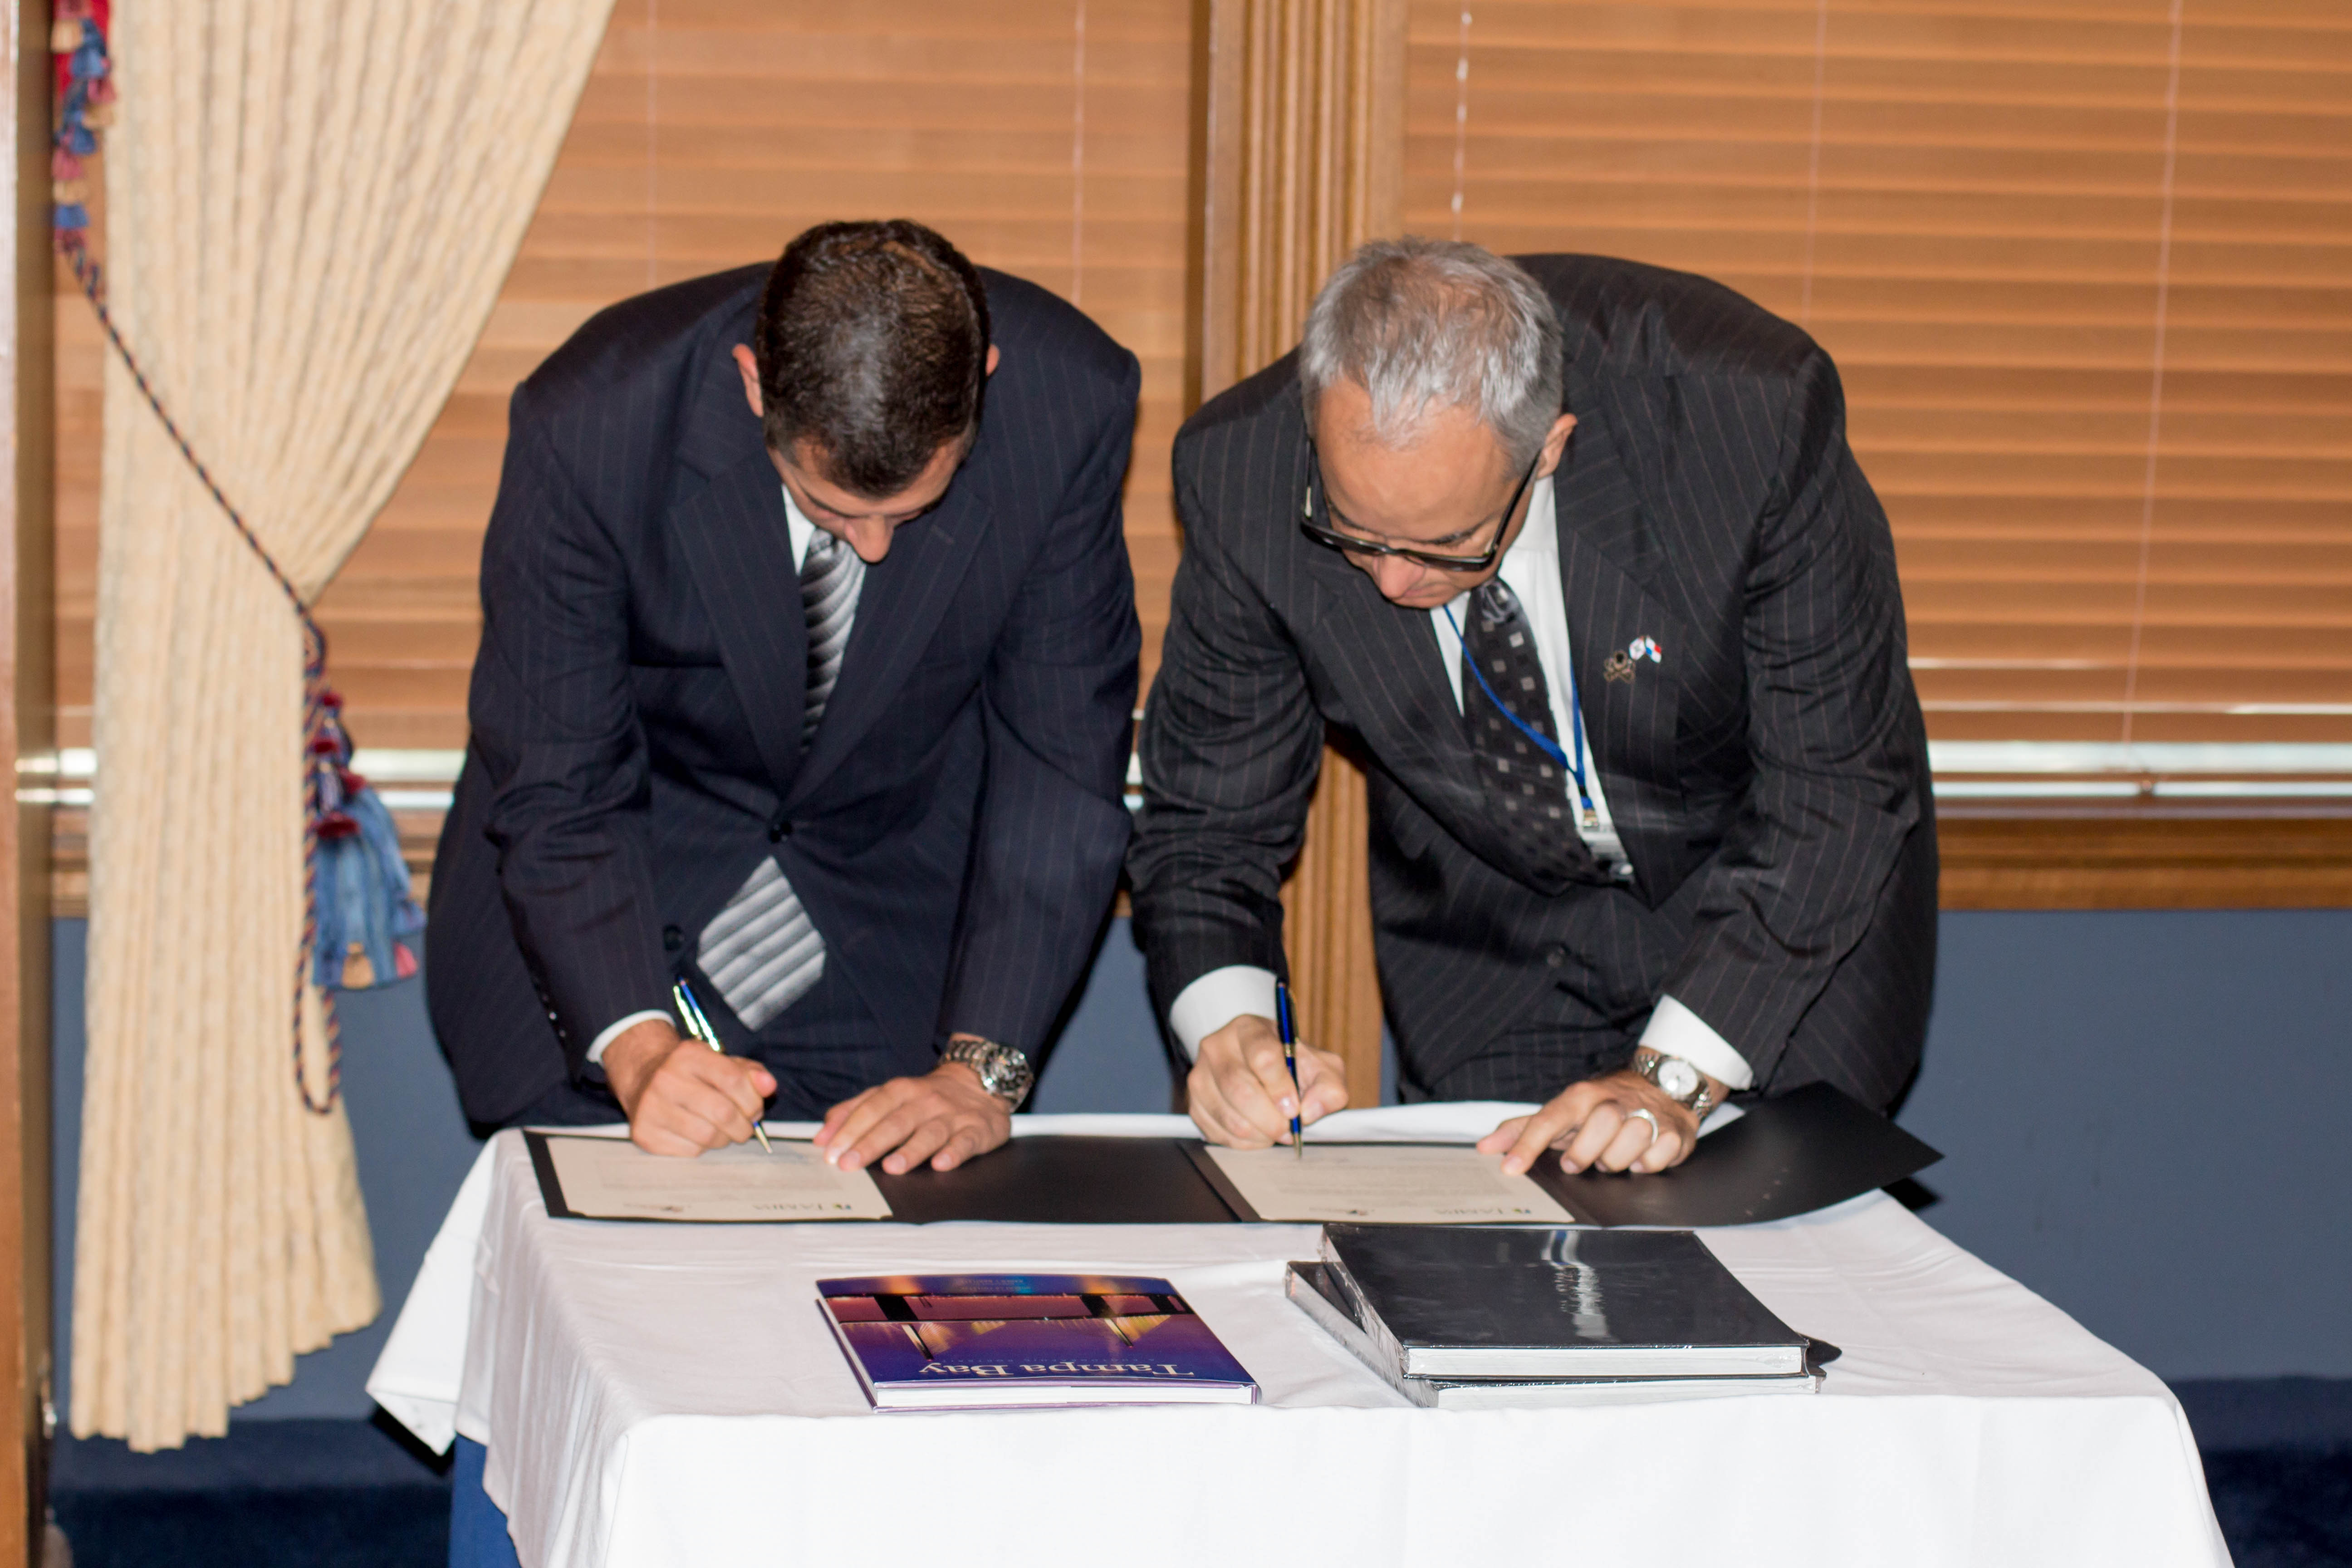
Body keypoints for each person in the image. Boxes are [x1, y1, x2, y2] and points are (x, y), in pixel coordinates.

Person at [1128, 238, 1936, 1180]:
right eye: (1353, 533)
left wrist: (1673, 1076)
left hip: (1772, 924)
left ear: (1549, 447)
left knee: (1777, 1278)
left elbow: (1835, 788)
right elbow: (1207, 823)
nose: (1392, 582)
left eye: (1447, 543)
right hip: (1496, 942)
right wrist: (1231, 1031)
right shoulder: (1243, 474)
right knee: (1502, 1272)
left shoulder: (1747, 417)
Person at [428, 220, 1141, 1171]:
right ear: (756, 382)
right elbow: (560, 776)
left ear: (988, 380)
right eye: (832, 508)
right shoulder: (596, 420)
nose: (875, 547)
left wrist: (979, 1073)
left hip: (884, 942)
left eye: (912, 510)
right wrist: (638, 1051)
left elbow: (1059, 765)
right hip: (607, 932)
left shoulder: (1069, 406)